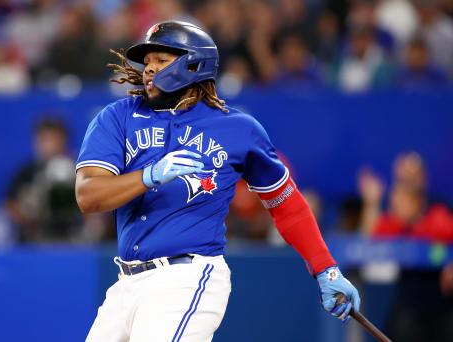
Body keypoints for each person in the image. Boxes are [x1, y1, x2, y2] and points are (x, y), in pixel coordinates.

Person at [75, 21, 360, 342]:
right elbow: (88, 196)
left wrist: (326, 270)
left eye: (161, 60)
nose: (149, 69)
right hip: (126, 283)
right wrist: (149, 176)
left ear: (194, 65)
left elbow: (287, 205)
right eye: (148, 60)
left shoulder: (238, 129)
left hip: (187, 277)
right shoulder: (118, 116)